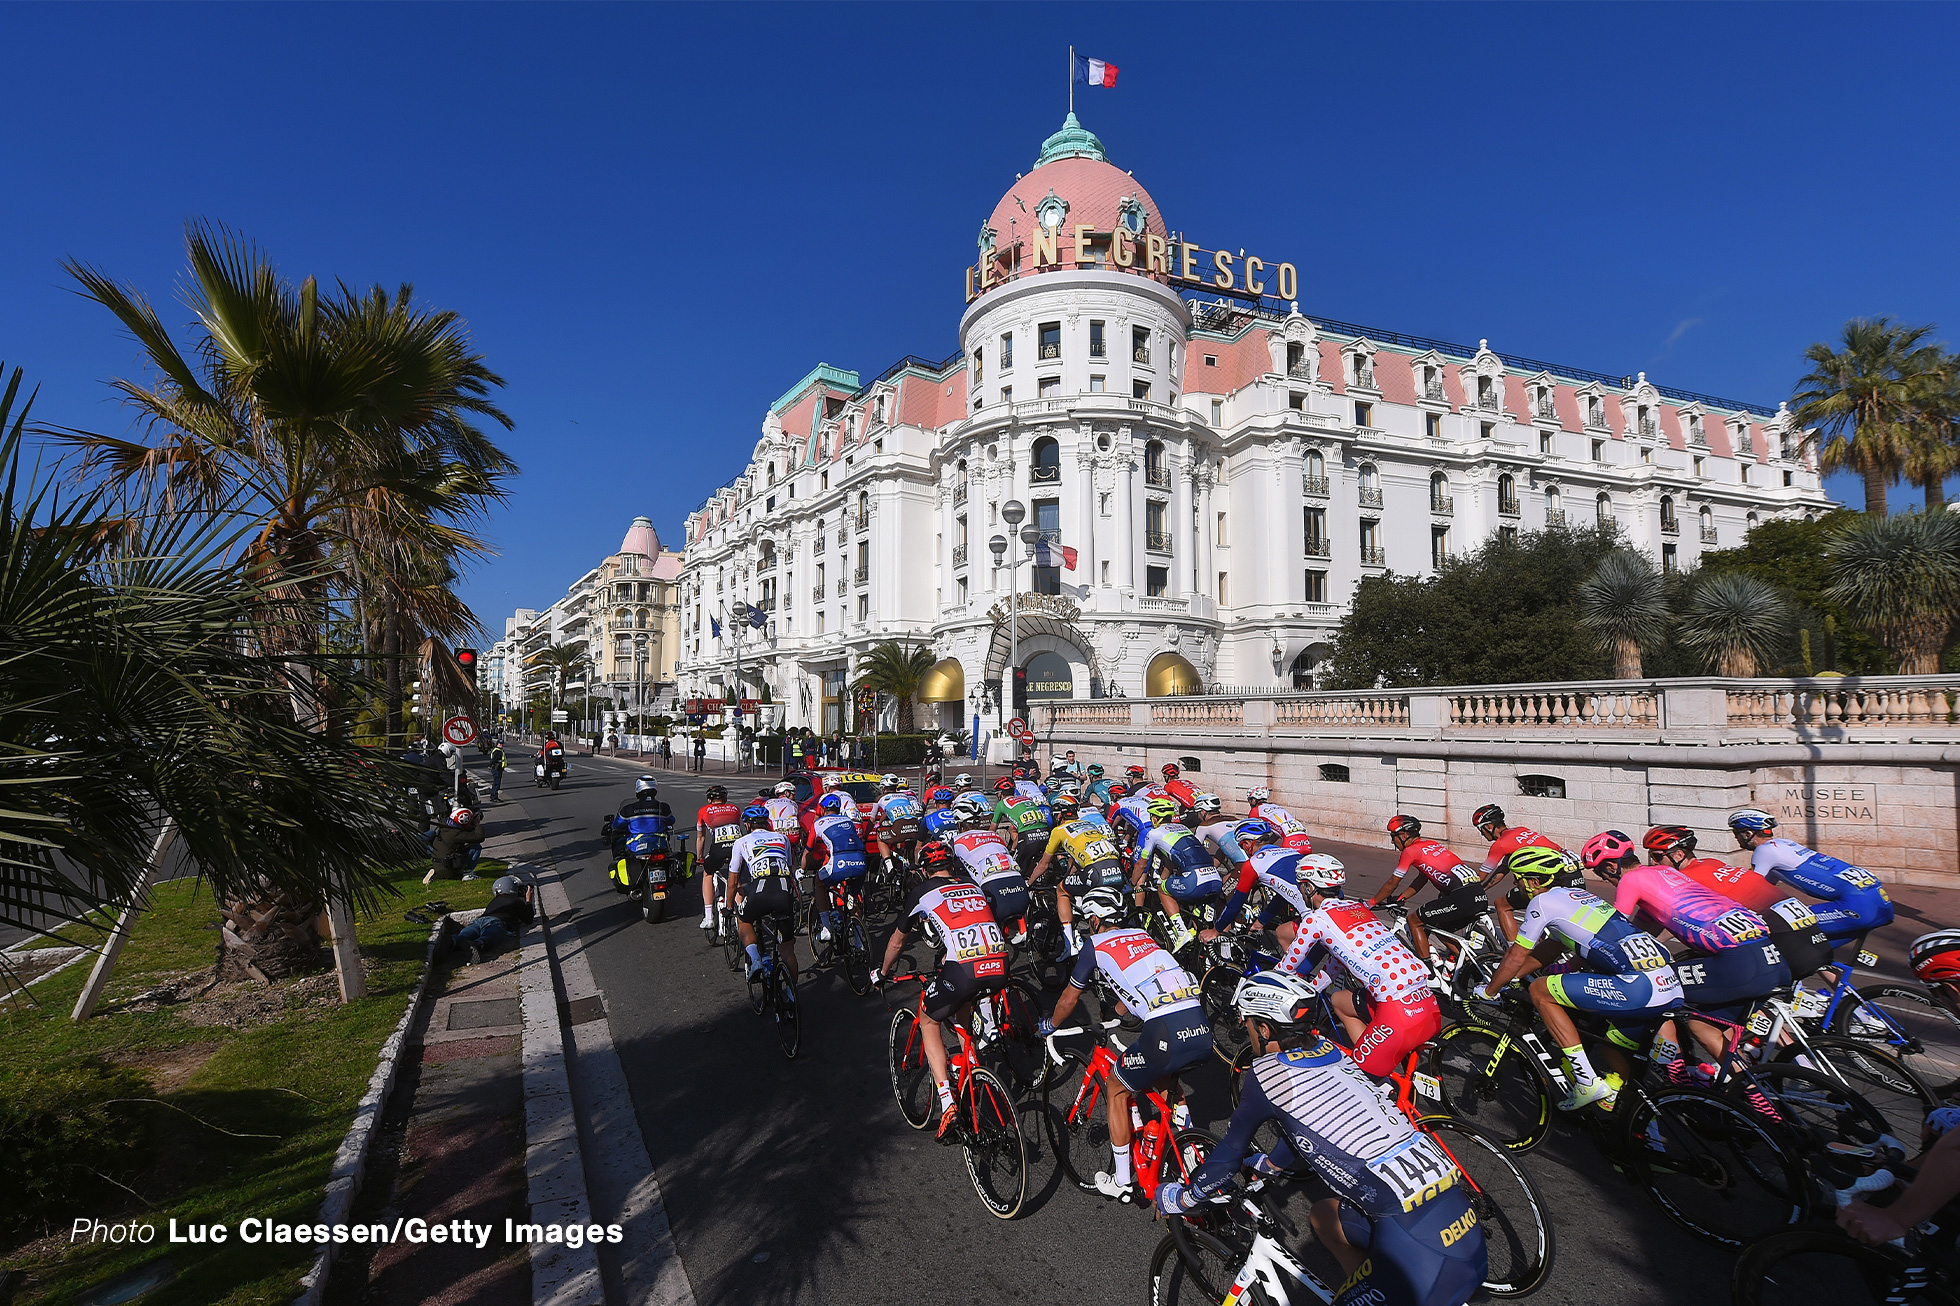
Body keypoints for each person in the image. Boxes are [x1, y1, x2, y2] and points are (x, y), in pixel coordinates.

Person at [1158, 971, 1486, 1306]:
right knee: (1324, 1217)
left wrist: (1182, 1199)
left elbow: (1228, 1155)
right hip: (1461, 1223)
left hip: (1423, 1254)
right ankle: (1372, 1285)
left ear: (1266, 1028)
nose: (1248, 1033)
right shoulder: (1332, 1050)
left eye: (1249, 1024)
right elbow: (1304, 1129)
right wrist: (1270, 1165)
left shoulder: (1267, 1074)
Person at [1036, 887, 1212, 1199]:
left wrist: (1051, 1024)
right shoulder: (1142, 936)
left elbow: (1068, 999)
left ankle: (1120, 1181)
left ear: (1093, 920)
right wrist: (1117, 1014)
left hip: (1166, 1032)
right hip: (1200, 1024)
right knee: (1166, 1081)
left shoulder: (1095, 945)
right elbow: (1145, 980)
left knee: (1116, 1087)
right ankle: (1190, 1147)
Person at [1478, 847, 1684, 1112]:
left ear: (1532, 881)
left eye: (1517, 879)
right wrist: (1509, 978)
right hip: (1666, 981)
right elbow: (1550, 949)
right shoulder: (1580, 896)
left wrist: (1489, 990)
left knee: (1541, 991)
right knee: (1612, 1045)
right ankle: (1637, 1116)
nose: (1516, 885)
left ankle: (1587, 1081)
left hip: (1639, 987)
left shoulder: (1541, 902)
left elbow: (1517, 955)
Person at [1585, 827, 1790, 1081]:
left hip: (1739, 961)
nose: (1604, 879)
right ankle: (1747, 1086)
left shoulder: (1630, 880)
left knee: (1658, 989)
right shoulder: (1667, 873)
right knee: (1707, 1021)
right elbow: (1641, 931)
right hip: (1769, 954)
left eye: (1599, 872)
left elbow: (1615, 928)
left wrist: (1584, 953)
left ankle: (1680, 1079)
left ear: (1611, 867)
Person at [873, 840, 1009, 1138]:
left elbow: (897, 941)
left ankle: (947, 1103)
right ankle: (970, 1064)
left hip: (964, 969)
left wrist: (882, 973)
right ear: (952, 866)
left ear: (924, 870)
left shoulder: (922, 891)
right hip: (999, 963)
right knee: (962, 1004)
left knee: (928, 1019)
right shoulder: (971, 884)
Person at [1278, 854, 1442, 1078]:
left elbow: (1288, 966)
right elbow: (1338, 961)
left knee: (1360, 1077)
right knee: (1339, 1000)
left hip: (1399, 1011)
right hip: (1427, 1003)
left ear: (1308, 887)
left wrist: (1262, 986)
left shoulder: (1316, 919)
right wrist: (1313, 990)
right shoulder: (1357, 908)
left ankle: (1377, 1082)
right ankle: (1375, 1051)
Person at [1727, 808, 1894, 943]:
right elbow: (1766, 888)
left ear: (1748, 834)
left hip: (1859, 906)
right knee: (1819, 952)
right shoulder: (1785, 845)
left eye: (1736, 833)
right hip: (1878, 902)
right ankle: (1840, 986)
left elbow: (1750, 888)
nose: (1736, 838)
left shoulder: (1764, 851)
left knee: (1779, 928)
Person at [1370, 814, 1502, 973]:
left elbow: (1392, 882)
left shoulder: (1411, 851)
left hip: (1462, 897)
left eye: (1394, 836)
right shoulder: (1431, 845)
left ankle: (1428, 971)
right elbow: (1422, 878)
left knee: (1414, 920)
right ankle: (1467, 963)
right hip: (1477, 895)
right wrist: (1401, 897)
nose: (1393, 841)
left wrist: (1371, 902)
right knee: (1438, 928)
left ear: (1404, 835)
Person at [1030, 806, 1131, 958]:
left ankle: (1069, 944)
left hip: (1095, 872)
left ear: (1059, 817)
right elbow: (1078, 860)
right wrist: (1069, 876)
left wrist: (1029, 883)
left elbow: (1044, 865)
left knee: (1061, 890)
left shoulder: (1058, 831)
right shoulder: (1088, 825)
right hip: (1116, 868)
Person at [1204, 819, 1311, 956]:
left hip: (1313, 919)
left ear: (1248, 843)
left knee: (1282, 938)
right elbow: (1283, 896)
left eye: (1242, 846)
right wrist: (1260, 922)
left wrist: (1215, 931)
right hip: (1330, 905)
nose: (1244, 850)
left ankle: (1294, 974)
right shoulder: (1290, 852)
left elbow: (1235, 905)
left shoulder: (1253, 864)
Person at [1135, 806, 1227, 952]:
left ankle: (1181, 933)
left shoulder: (1153, 833)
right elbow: (1172, 861)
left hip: (1195, 880)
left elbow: (1142, 863)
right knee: (1200, 925)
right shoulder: (1182, 828)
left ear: (1154, 818)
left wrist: (1134, 883)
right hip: (1215, 879)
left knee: (1163, 890)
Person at [724, 805, 799, 983]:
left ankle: (756, 959)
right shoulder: (783, 838)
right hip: (782, 893)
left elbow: (732, 881)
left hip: (759, 891)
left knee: (744, 919)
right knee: (787, 950)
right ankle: (791, 995)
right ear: (767, 823)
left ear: (748, 825)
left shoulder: (742, 842)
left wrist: (728, 908)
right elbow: (789, 869)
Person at [1470, 804, 1561, 930]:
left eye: (1481, 830)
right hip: (1567, 870)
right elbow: (1503, 869)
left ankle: (1513, 948)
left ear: (1489, 826)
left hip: (1545, 880)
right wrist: (1483, 889)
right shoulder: (1521, 830)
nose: (1482, 834)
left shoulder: (1500, 844)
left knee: (1501, 905)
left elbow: (1480, 876)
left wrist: (1461, 889)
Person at [948, 800, 1029, 940]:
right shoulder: (995, 836)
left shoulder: (956, 840)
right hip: (1021, 890)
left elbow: (947, 868)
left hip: (994, 890)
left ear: (959, 824)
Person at [804, 793, 869, 942]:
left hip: (839, 864)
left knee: (820, 883)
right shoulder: (848, 820)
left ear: (823, 809)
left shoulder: (818, 823)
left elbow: (807, 851)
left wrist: (802, 870)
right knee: (852, 899)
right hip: (860, 864)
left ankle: (826, 928)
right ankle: (859, 942)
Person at [604, 777, 675, 895]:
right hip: (660, 845)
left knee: (619, 847)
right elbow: (671, 821)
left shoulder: (628, 810)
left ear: (638, 791)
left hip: (636, 846)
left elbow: (617, 825)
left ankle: (627, 879)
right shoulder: (663, 808)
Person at [454, 875, 538, 965]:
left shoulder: (495, 900)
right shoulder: (516, 901)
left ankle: (452, 941)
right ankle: (477, 944)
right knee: (491, 935)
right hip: (496, 922)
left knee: (465, 934)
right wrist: (528, 900)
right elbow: (528, 919)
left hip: (478, 920)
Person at [696, 784, 745, 931]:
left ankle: (709, 917)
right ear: (725, 798)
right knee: (736, 880)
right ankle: (742, 917)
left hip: (718, 848)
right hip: (737, 847)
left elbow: (701, 838)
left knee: (707, 873)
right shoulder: (735, 809)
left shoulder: (703, 811)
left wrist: (700, 857)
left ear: (710, 799)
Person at [992, 777, 1053, 876]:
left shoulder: (1001, 804)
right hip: (1046, 833)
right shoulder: (1026, 799)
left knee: (1014, 870)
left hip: (1028, 837)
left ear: (1000, 793)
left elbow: (992, 830)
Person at [425, 806, 486, 884]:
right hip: (448, 868)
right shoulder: (456, 833)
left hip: (438, 865)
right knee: (476, 847)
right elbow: (479, 837)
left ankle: (439, 873)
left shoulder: (445, 828)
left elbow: (465, 830)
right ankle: (468, 873)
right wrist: (477, 824)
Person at [1246, 786, 1313, 853]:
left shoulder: (1256, 810)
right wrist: (1267, 843)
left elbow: (1250, 832)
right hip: (1305, 841)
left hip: (1290, 842)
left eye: (1250, 800)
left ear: (1254, 800)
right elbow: (1277, 833)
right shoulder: (1276, 806)